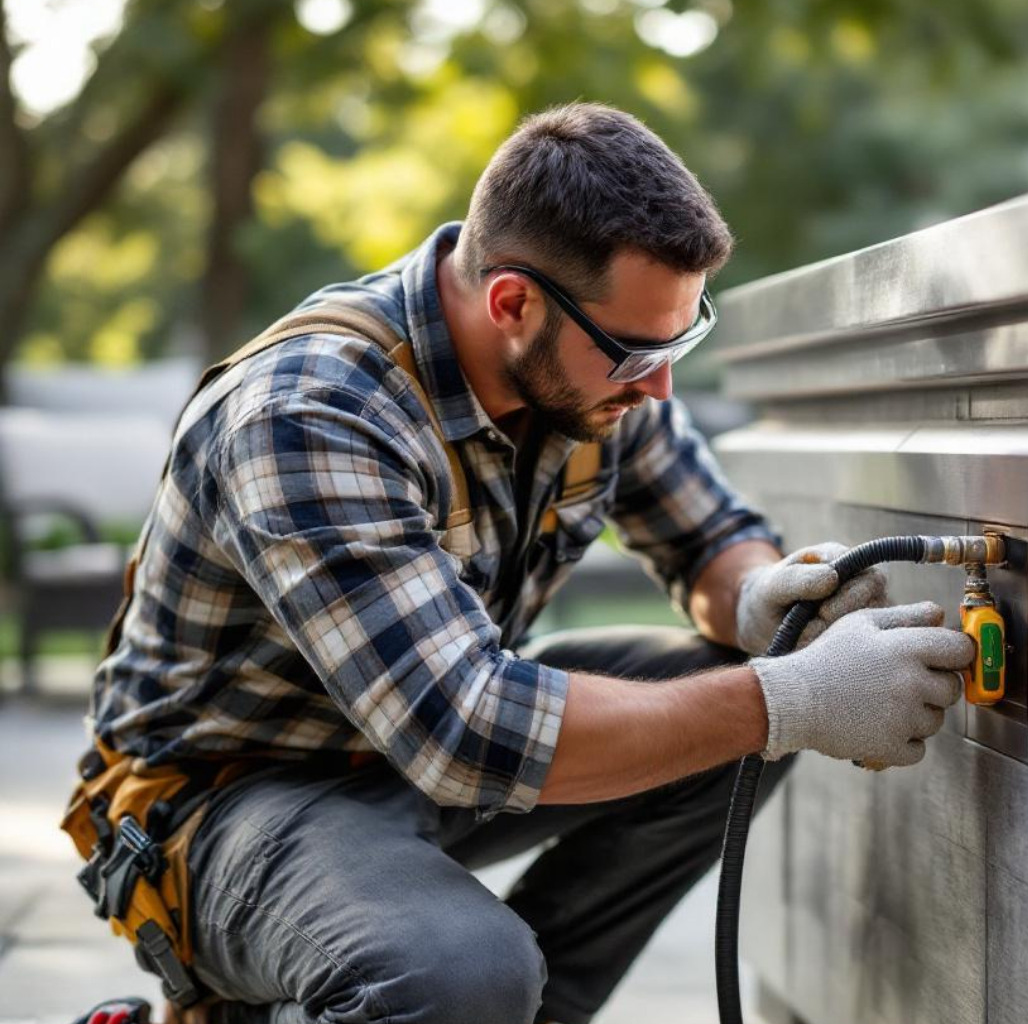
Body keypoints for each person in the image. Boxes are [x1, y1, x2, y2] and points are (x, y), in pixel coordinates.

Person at [70, 103, 973, 1024]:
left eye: (681, 338)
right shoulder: (310, 412)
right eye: (639, 351)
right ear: (512, 303)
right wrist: (799, 697)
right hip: (225, 801)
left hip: (407, 750)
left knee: (737, 696)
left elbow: (707, 537)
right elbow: (466, 731)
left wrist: (758, 597)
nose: (660, 384)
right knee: (459, 974)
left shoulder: (596, 365)